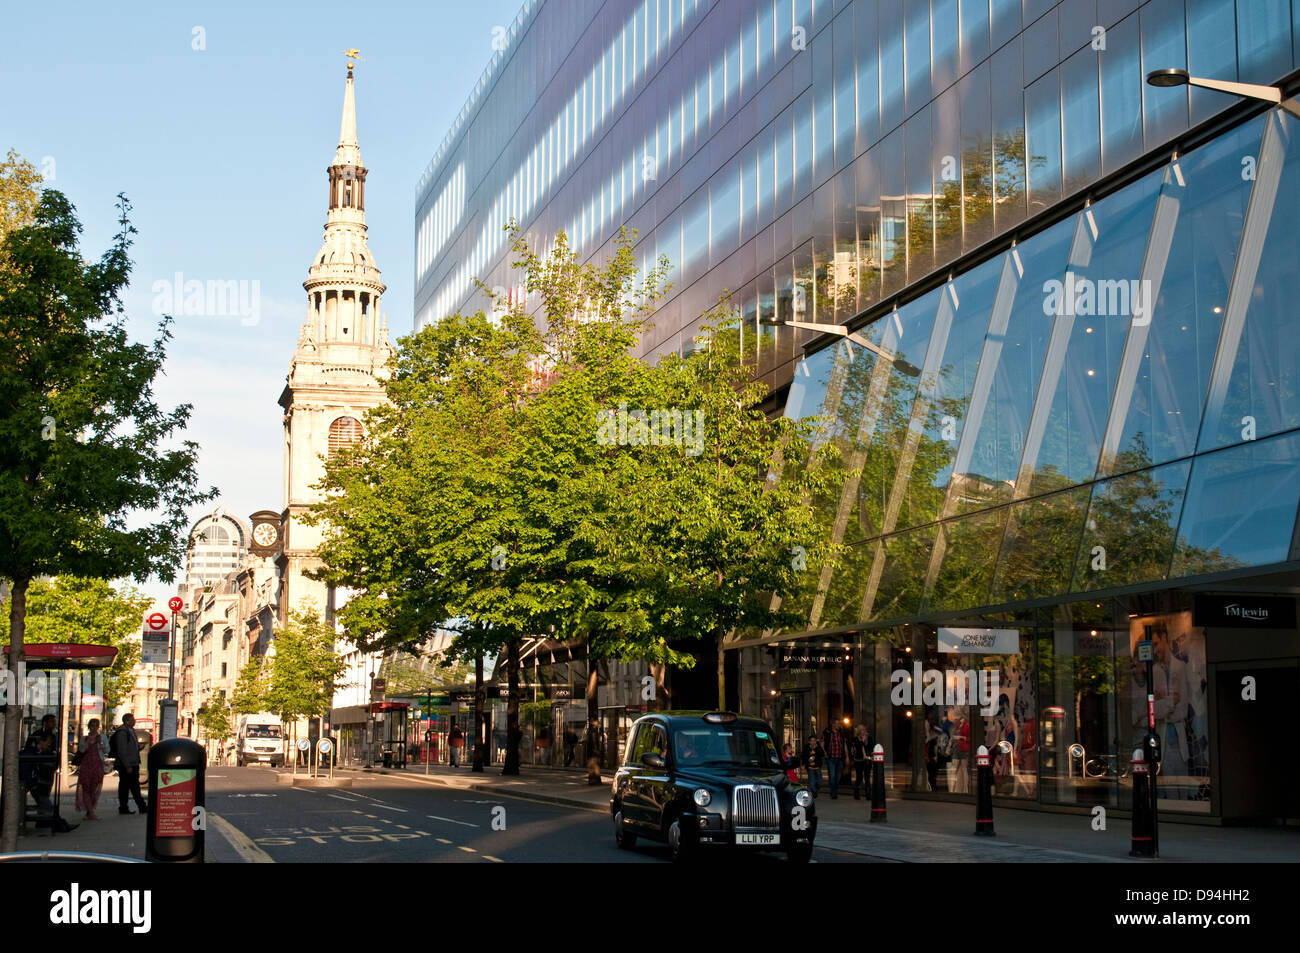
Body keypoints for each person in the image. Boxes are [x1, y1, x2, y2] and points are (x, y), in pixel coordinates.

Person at [110, 713, 147, 815]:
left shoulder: (131, 731)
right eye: (132, 719)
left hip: (133, 763)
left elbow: (129, 748)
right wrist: (127, 765)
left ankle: (128, 807)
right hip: (127, 765)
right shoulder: (122, 732)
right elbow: (122, 751)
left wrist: (138, 748)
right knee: (130, 787)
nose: (134, 721)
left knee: (128, 786)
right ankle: (139, 806)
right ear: (127, 721)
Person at [75, 718, 109, 820]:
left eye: (96, 726)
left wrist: (101, 743)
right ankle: (90, 811)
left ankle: (89, 811)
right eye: (92, 725)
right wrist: (87, 743)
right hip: (86, 764)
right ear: (89, 726)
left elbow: (107, 750)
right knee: (85, 787)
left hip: (97, 764)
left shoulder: (102, 737)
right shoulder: (84, 738)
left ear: (98, 727)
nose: (94, 728)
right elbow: (81, 750)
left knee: (94, 787)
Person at [821, 724, 845, 799]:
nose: (838, 725)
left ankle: (834, 790)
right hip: (830, 758)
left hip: (839, 758)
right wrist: (824, 752)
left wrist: (846, 756)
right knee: (832, 776)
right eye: (837, 723)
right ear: (833, 725)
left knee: (838, 777)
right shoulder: (827, 732)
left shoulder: (841, 734)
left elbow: (844, 744)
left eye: (839, 724)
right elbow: (822, 742)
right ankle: (833, 793)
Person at [851, 724, 872, 799]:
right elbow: (858, 748)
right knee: (859, 777)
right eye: (862, 730)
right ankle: (856, 794)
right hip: (859, 760)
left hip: (867, 760)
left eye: (865, 729)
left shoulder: (869, 738)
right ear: (859, 731)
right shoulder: (855, 739)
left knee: (867, 777)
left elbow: (870, 748)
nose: (864, 731)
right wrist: (862, 741)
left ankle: (868, 794)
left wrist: (865, 740)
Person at [952, 714, 971, 794]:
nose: (959, 719)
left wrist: (961, 737)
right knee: (954, 769)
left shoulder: (968, 725)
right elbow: (954, 735)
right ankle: (954, 789)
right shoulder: (958, 725)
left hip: (964, 748)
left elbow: (970, 738)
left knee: (964, 770)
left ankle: (965, 790)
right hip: (956, 748)